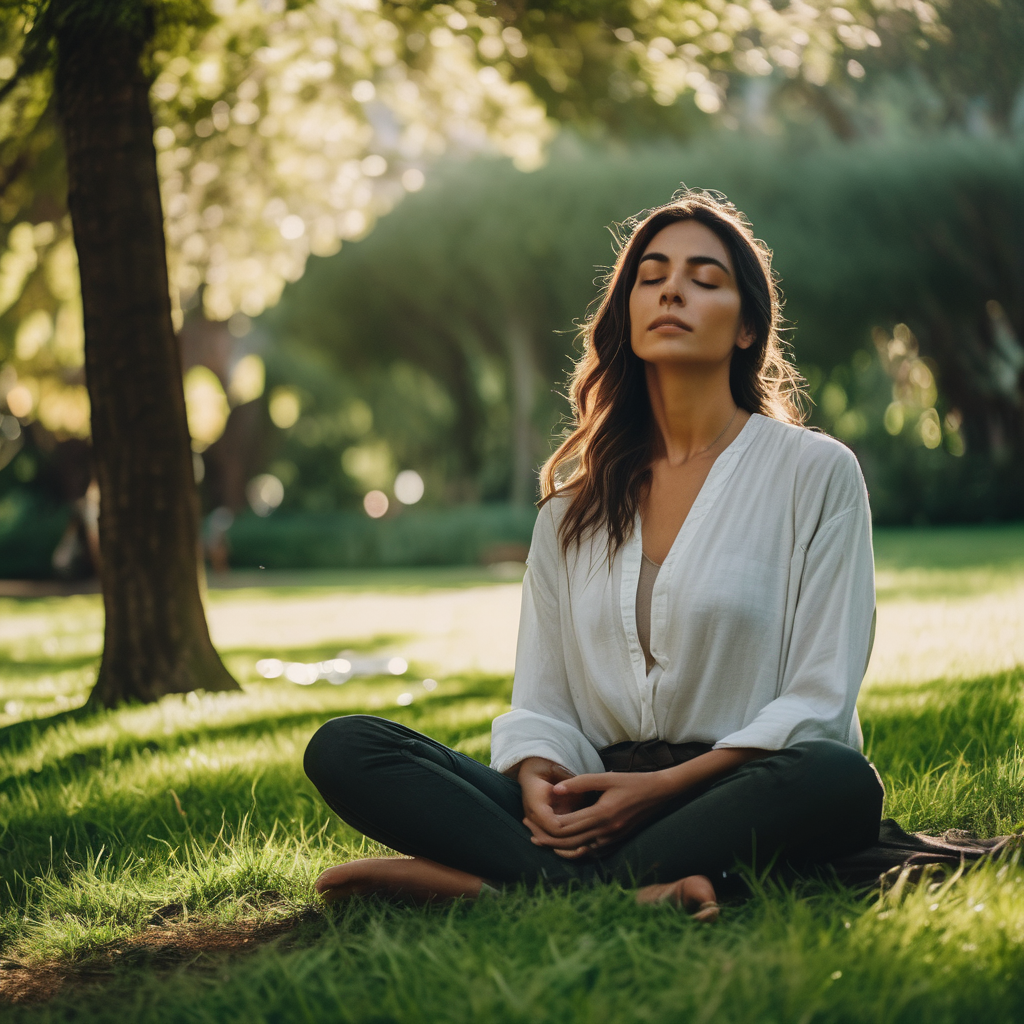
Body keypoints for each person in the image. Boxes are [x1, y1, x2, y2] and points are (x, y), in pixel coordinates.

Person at [303, 189, 884, 918]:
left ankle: (491, 886)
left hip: (738, 790)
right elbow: (543, 700)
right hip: (593, 797)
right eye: (652, 275)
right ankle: (630, 888)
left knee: (839, 779)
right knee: (347, 747)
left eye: (705, 279)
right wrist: (543, 780)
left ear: (747, 329)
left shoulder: (815, 473)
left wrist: (662, 792)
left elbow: (820, 698)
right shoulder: (569, 511)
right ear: (628, 312)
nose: (673, 287)